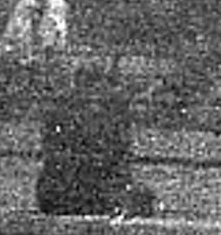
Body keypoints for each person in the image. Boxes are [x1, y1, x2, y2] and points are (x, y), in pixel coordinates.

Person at [35, 64, 156, 217]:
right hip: (73, 189)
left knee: (139, 196)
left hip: (78, 189)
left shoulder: (108, 117)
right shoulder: (67, 116)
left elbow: (119, 161)